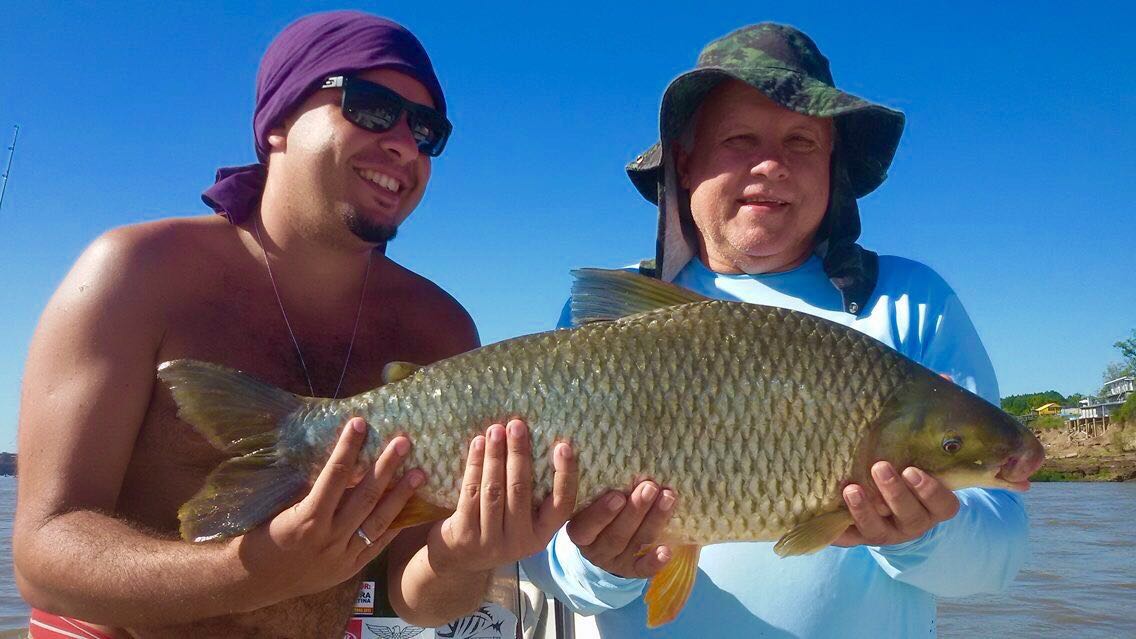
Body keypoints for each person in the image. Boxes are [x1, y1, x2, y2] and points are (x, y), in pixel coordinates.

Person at [13, 11, 575, 639]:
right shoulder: (138, 273)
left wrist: (464, 555)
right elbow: (44, 549)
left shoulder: (438, 329)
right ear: (278, 120)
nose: (405, 144)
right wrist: (254, 571)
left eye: (426, 130)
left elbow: (416, 598)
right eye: (371, 108)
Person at [521, 23, 1033, 637]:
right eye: (739, 139)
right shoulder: (608, 327)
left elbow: (999, 561)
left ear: (833, 167)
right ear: (684, 164)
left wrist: (920, 535)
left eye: (801, 142)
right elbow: (550, 569)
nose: (771, 165)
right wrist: (603, 565)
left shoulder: (912, 301)